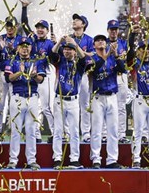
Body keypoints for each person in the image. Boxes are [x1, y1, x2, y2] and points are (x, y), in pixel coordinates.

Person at [4, 36, 45, 170]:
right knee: (15, 130)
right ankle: (13, 160)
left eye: (27, 46)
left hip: (32, 97)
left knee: (31, 130)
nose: (25, 48)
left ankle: (31, 160)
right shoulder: (12, 61)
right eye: (22, 46)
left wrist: (34, 76)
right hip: (17, 97)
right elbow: (8, 78)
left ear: (31, 48)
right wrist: (19, 72)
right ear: (18, 48)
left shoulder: (36, 61)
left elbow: (41, 80)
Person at [19, 0, 56, 143]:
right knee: (35, 107)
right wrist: (24, 8)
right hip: (32, 77)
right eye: (38, 27)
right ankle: (37, 134)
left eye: (43, 27)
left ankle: (55, 133)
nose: (40, 29)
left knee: (47, 107)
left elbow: (55, 58)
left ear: (47, 30)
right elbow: (23, 24)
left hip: (45, 76)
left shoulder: (50, 42)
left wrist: (55, 44)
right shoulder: (32, 39)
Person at [49, 37, 88, 169]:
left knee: (74, 131)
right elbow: (52, 54)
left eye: (69, 50)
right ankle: (57, 158)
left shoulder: (79, 65)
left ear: (74, 52)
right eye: (65, 49)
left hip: (73, 101)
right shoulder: (59, 62)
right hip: (59, 99)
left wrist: (75, 45)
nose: (67, 52)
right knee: (58, 130)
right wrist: (59, 42)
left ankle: (74, 158)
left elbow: (84, 59)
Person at [88, 34, 126, 169]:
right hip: (97, 96)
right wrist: (107, 55)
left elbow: (123, 69)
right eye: (98, 40)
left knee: (113, 130)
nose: (101, 42)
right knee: (97, 130)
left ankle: (111, 159)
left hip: (112, 96)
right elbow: (95, 68)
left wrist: (115, 55)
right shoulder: (91, 58)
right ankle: (96, 159)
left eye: (103, 40)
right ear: (94, 45)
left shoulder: (112, 58)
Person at [126, 37, 149, 169]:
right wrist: (133, 37)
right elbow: (129, 55)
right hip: (140, 100)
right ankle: (136, 159)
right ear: (138, 52)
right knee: (138, 131)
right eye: (143, 49)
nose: (146, 52)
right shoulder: (134, 64)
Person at [0, 17, 20, 143]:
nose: (9, 28)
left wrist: (12, 49)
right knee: (0, 103)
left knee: (14, 104)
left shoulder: (21, 40)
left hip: (16, 75)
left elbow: (24, 54)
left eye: (11, 26)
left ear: (16, 26)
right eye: (7, 26)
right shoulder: (0, 39)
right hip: (2, 74)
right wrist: (0, 49)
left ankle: (14, 129)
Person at [69, 14, 94, 142]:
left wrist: (77, 50)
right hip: (69, 75)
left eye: (77, 20)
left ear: (83, 24)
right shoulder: (69, 38)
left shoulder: (89, 40)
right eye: (74, 19)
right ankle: (69, 132)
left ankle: (85, 132)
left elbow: (93, 55)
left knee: (84, 104)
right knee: (70, 104)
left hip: (84, 74)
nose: (74, 21)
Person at [106, 20, 130, 143]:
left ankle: (121, 134)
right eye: (111, 29)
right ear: (108, 30)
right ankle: (105, 134)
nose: (113, 31)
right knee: (106, 105)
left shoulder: (123, 43)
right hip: (108, 75)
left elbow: (127, 60)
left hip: (120, 75)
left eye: (115, 29)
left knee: (121, 106)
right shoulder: (103, 43)